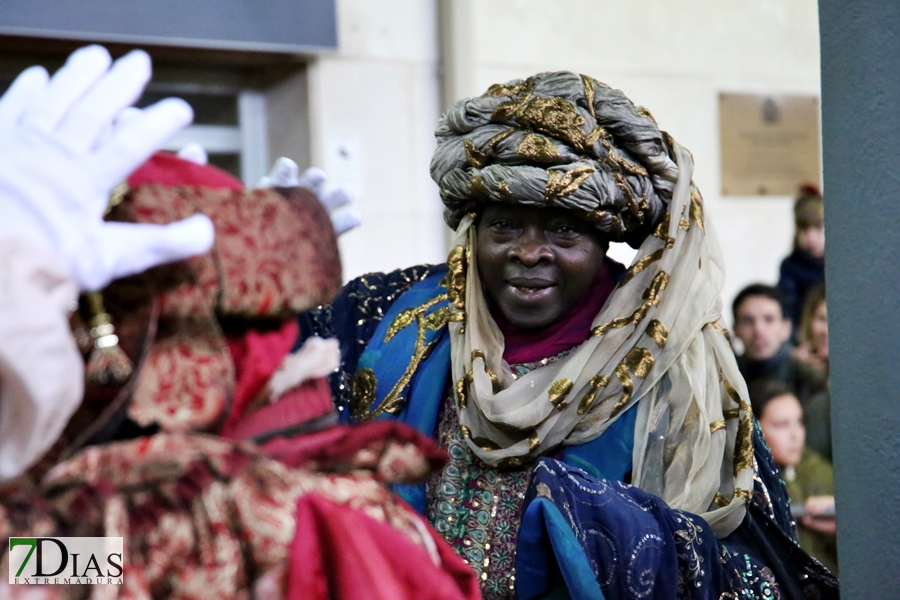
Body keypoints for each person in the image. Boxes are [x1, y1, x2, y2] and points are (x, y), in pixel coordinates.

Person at [299, 72, 837, 599]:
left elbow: (761, 579)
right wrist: (272, 283)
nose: (529, 252)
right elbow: (267, 418)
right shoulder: (395, 319)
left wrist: (608, 525)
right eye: (505, 225)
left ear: (604, 239)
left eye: (563, 229)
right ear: (472, 231)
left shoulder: (676, 371)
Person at [750, 379, 838, 574]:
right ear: (754, 430)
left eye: (800, 422)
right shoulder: (743, 485)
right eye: (781, 425)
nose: (796, 434)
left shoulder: (819, 472)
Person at [732, 283, 827, 407]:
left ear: (786, 328)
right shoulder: (726, 380)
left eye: (769, 319)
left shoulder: (811, 380)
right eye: (747, 321)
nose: (758, 330)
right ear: (735, 329)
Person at [778, 184, 825, 339]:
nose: (811, 237)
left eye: (818, 228)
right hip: (802, 338)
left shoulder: (837, 267)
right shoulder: (790, 266)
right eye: (804, 229)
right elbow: (787, 311)